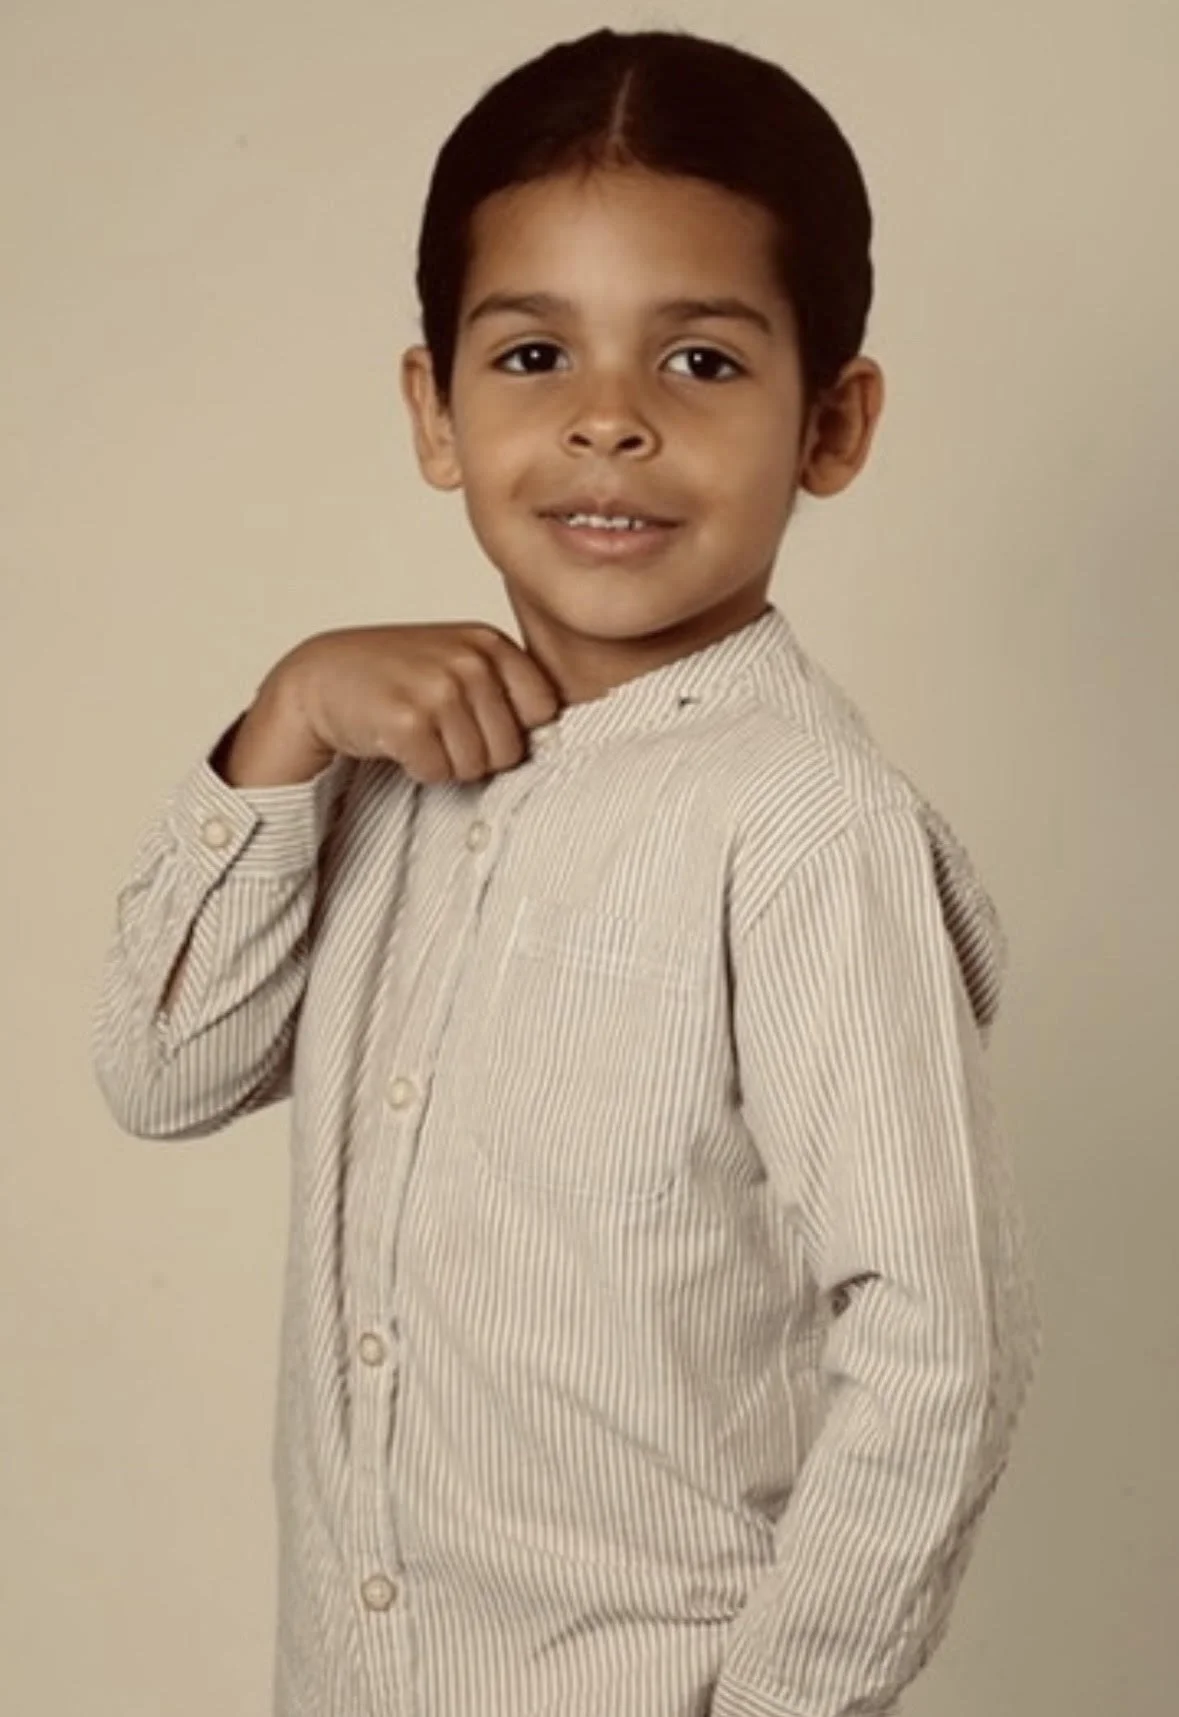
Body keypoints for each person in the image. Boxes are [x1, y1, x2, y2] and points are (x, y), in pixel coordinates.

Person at [91, 25, 1042, 1717]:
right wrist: (288, 720)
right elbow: (163, 1072)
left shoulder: (806, 827)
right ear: (432, 409)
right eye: (532, 355)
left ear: (831, 423)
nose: (607, 424)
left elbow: (938, 1350)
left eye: (698, 364)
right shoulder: (379, 768)